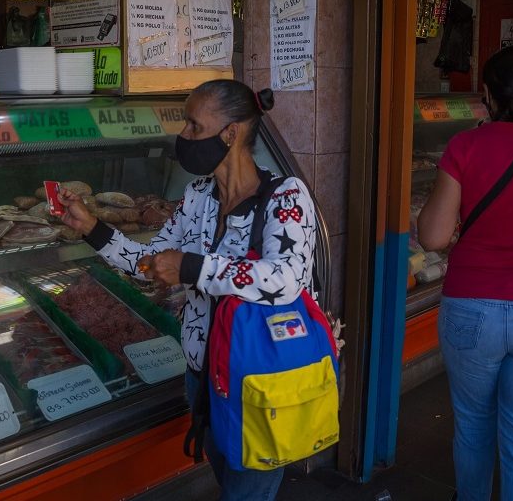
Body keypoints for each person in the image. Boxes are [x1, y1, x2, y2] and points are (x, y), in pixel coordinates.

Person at [58, 79, 318, 501]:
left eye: (194, 126)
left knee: (247, 494)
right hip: (203, 379)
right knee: (231, 483)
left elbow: (284, 280)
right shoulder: (198, 197)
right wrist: (91, 226)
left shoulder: (286, 197)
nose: (183, 136)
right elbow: (150, 266)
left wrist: (193, 267)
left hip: (260, 382)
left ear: (231, 133)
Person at [417, 45, 513, 501]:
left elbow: (433, 237)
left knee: (472, 428)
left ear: (490, 95)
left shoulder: (466, 145)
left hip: (471, 306)